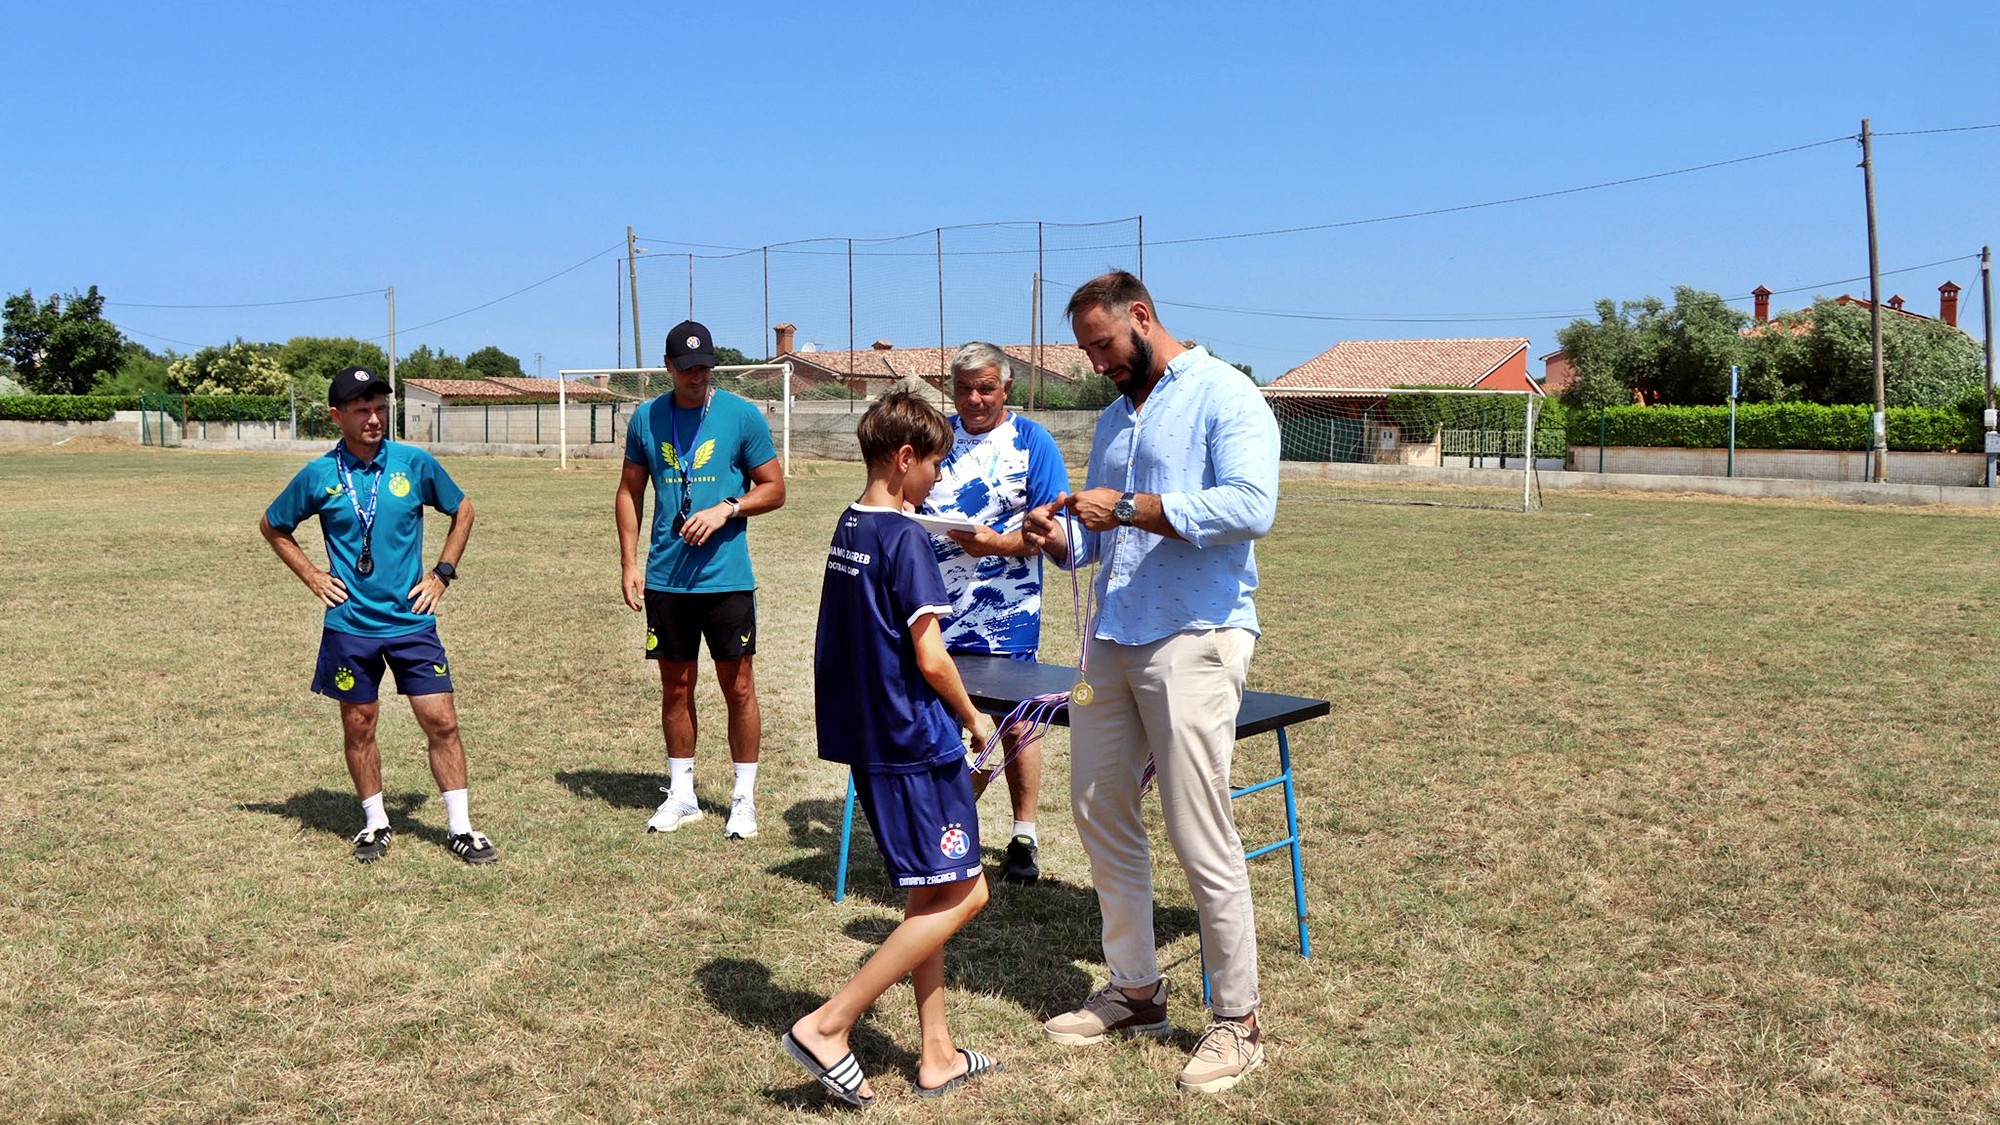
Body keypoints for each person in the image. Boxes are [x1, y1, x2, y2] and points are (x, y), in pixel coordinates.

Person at [1022, 271, 1280, 1094]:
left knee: (1198, 825)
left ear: (1141, 316)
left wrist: (1131, 506)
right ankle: (1136, 990)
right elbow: (1099, 541)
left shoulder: (1226, 394)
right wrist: (1060, 536)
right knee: (1097, 806)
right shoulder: (1112, 417)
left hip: (1196, 634)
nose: (1097, 363)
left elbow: (1251, 506)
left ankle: (1239, 1020)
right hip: (1114, 635)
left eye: (1103, 344)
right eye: (1086, 350)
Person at [783, 390, 1002, 1106]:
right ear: (906, 459)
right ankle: (829, 1023)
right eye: (935, 465)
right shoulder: (906, 538)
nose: (938, 479)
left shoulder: (850, 523)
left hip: (872, 738)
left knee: (928, 891)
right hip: (914, 741)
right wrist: (976, 719)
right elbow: (932, 657)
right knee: (968, 891)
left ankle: (937, 1053)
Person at [258, 366, 496, 865]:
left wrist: (442, 573)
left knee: (442, 722)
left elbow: (464, 509)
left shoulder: (413, 463)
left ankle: (461, 828)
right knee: (360, 725)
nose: (374, 419)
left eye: (381, 409)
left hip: (411, 623)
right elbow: (273, 525)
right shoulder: (320, 475)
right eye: (362, 410)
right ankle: (375, 823)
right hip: (350, 627)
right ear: (337, 416)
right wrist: (313, 576)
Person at [615, 320, 786, 840]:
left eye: (705, 367)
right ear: (668, 367)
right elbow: (629, 491)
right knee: (676, 687)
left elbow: (774, 488)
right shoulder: (646, 418)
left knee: (739, 687)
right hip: (667, 580)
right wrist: (629, 563)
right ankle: (682, 794)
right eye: (687, 368)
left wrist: (727, 508)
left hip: (726, 579)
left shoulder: (741, 415)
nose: (697, 376)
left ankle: (743, 798)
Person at [919, 341, 1071, 886]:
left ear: (1006, 387)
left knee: (1016, 722)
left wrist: (998, 544)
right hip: (934, 610)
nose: (974, 399)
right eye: (964, 389)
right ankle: (944, 832)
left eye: (986, 388)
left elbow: (1053, 529)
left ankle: (1023, 836)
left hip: (1006, 613)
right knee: (941, 720)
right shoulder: (935, 435)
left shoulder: (1032, 441)